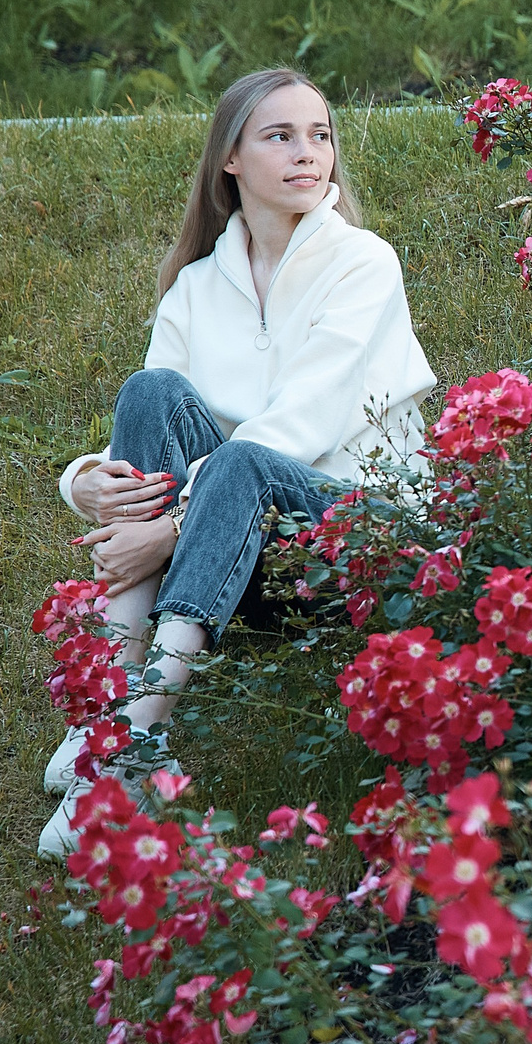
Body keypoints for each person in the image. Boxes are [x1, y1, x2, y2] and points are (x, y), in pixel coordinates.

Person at [41, 68, 436, 855]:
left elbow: (301, 426)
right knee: (152, 391)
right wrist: (84, 480)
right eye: (280, 135)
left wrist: (173, 527)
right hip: (238, 546)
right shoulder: (194, 288)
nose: (308, 153)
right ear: (231, 158)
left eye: (320, 135)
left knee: (247, 460)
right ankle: (109, 710)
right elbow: (154, 437)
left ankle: (133, 742)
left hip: (353, 542)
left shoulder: (364, 263)